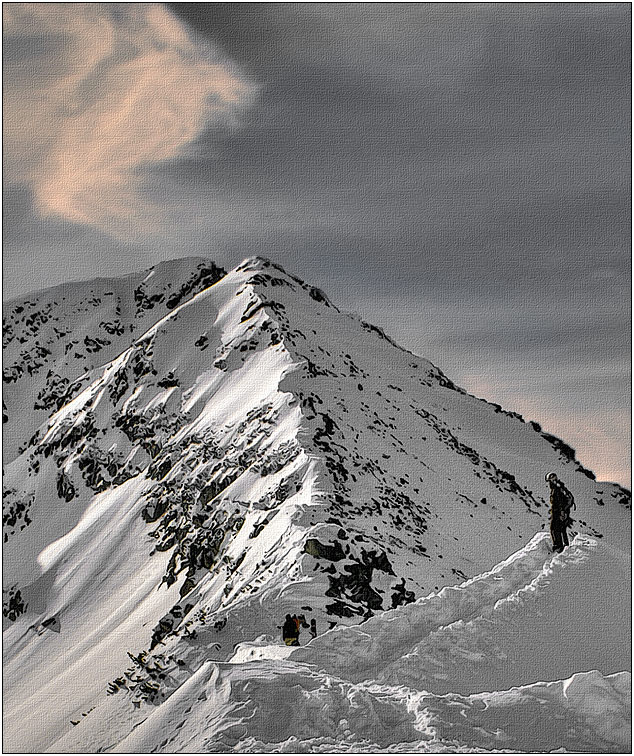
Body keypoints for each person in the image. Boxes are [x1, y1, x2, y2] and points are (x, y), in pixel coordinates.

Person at [545, 472, 575, 552]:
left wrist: (561, 512)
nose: (549, 483)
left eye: (549, 481)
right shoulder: (561, 488)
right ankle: (565, 545)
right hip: (563, 512)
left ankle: (558, 546)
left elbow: (558, 502)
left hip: (559, 512)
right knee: (562, 529)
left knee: (554, 529)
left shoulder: (557, 489)